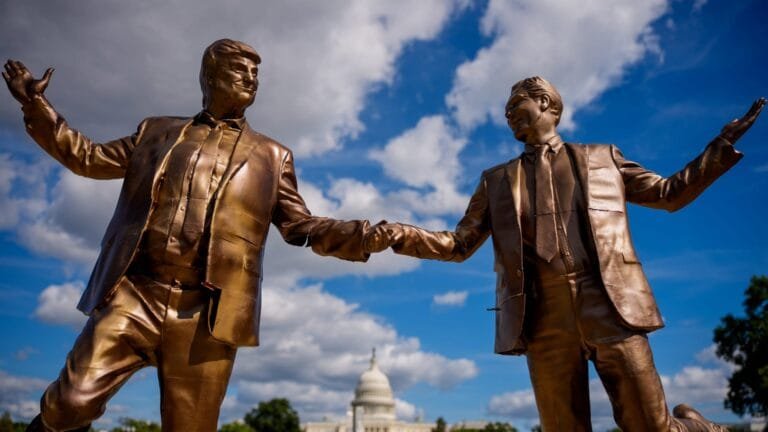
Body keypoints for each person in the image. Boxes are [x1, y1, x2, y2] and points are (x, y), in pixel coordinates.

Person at [3, 39, 374, 432]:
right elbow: (88, 158)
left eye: (255, 73)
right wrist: (35, 105)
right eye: (240, 70)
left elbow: (301, 227)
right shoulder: (156, 131)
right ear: (210, 76)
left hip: (206, 315)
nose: (251, 79)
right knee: (68, 404)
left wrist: (370, 236)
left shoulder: (272, 156)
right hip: (136, 294)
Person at [365, 76, 765, 431]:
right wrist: (397, 235)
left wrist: (720, 147)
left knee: (649, 426)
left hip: (611, 308)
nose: (508, 115)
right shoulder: (495, 181)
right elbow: (458, 245)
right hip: (544, 321)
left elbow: (668, 194)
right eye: (505, 112)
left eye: (515, 104)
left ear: (545, 102)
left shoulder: (602, 158)